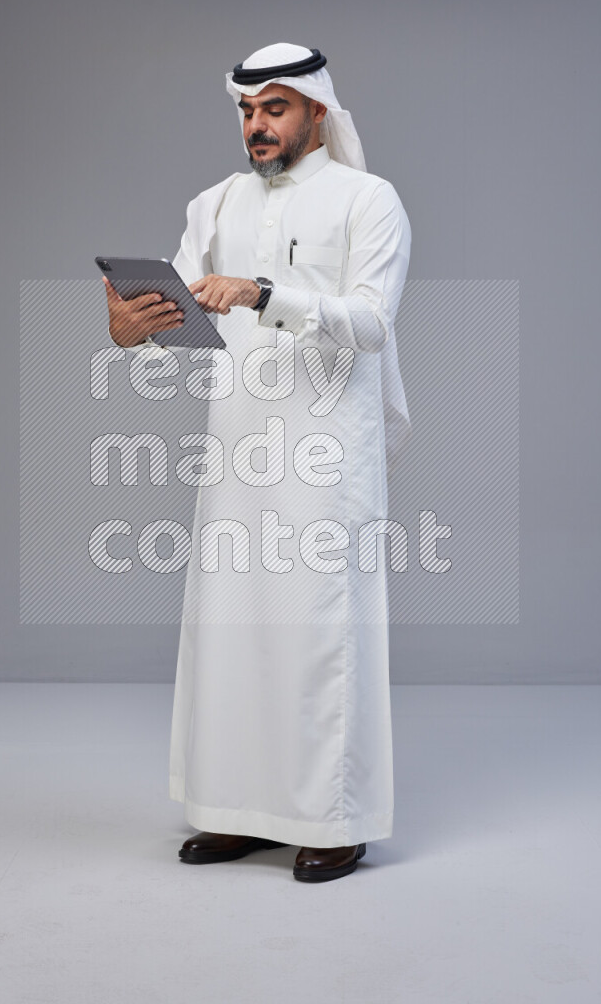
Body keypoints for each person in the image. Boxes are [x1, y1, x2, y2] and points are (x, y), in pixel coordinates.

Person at [104, 43, 411, 882]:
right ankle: (236, 812)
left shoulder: (368, 200)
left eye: (275, 108)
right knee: (230, 628)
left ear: (317, 110)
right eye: (247, 110)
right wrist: (128, 327)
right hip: (236, 445)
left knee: (318, 632)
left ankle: (332, 819)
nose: (257, 124)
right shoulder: (215, 203)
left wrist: (264, 294)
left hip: (325, 455)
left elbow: (373, 321)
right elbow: (167, 312)